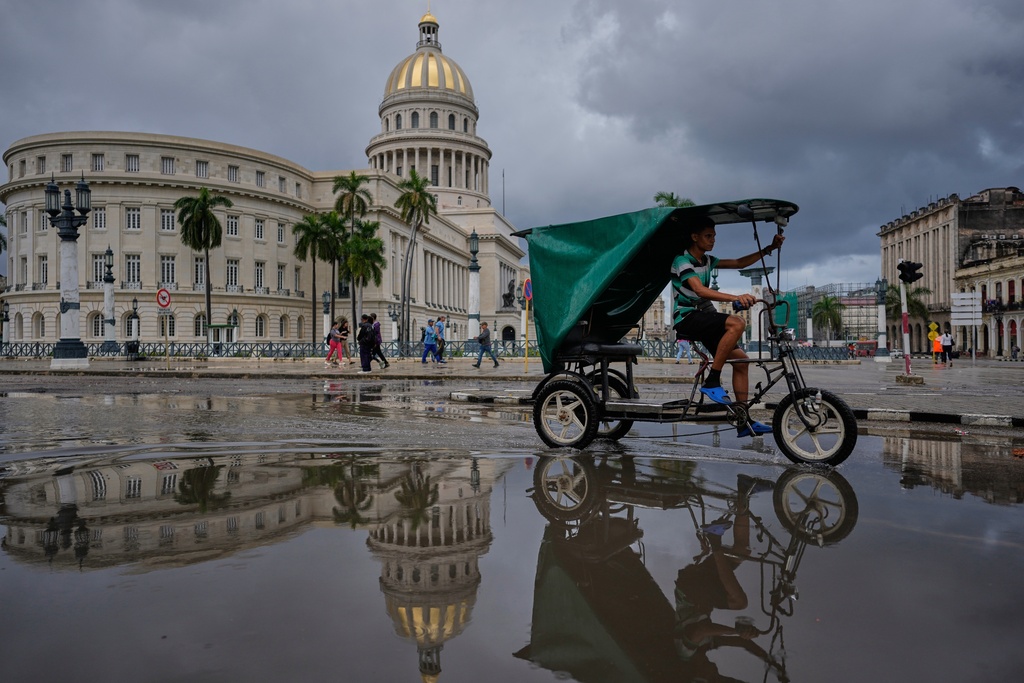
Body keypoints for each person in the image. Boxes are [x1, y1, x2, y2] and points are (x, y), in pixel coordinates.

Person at [671, 215, 784, 437]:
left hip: (701, 317)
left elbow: (740, 263)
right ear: (695, 237)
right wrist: (736, 297)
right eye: (708, 236)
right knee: (737, 322)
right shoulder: (681, 261)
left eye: (714, 236)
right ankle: (712, 380)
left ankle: (743, 420)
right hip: (685, 317)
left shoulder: (707, 260)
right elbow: (701, 291)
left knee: (742, 362)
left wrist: (769, 248)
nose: (713, 240)